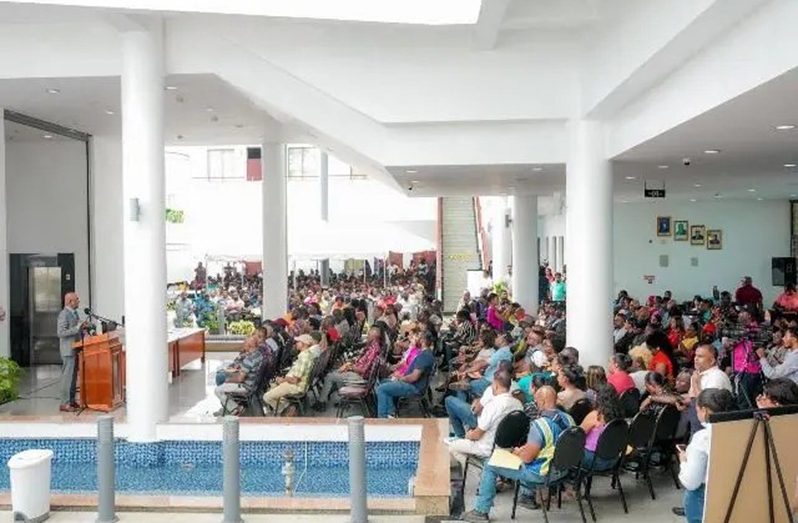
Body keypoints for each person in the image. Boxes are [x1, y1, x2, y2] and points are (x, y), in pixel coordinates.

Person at [461, 386, 575, 522]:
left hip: (543, 474)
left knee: (490, 464)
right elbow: (552, 446)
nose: (536, 404)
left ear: (543, 402)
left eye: (537, 401)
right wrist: (526, 449)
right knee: (531, 457)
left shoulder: (539, 425)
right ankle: (526, 496)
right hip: (563, 470)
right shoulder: (568, 419)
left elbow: (527, 459)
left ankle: (481, 511)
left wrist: (517, 453)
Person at [675, 388, 735, 523]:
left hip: (703, 497)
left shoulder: (702, 438)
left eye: (697, 410)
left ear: (705, 410)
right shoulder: (739, 430)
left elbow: (691, 482)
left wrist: (683, 461)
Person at [445, 370, 522, 467]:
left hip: (487, 448)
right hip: (508, 448)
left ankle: (478, 471)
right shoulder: (518, 405)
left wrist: (468, 436)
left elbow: (477, 435)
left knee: (453, 447)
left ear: (496, 385)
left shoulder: (493, 406)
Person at [315, 325, 383, 410]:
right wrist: (349, 365)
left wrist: (350, 367)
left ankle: (321, 403)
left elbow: (363, 370)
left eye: (369, 335)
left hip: (360, 378)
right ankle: (340, 400)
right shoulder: (373, 347)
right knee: (337, 373)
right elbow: (361, 361)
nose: (367, 336)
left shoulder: (374, 350)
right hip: (358, 374)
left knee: (330, 376)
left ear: (374, 337)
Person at [375, 331, 436, 418]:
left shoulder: (425, 356)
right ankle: (391, 413)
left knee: (382, 389)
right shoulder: (424, 354)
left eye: (418, 337)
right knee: (384, 382)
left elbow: (414, 377)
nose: (416, 339)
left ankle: (383, 418)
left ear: (423, 340)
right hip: (411, 384)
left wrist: (400, 379)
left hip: (414, 387)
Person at [263, 334, 317, 415]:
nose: (296, 344)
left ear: (304, 344)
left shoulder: (304, 358)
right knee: (273, 387)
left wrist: (283, 380)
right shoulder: (307, 355)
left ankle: (284, 410)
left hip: (295, 386)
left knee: (266, 397)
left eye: (298, 342)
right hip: (297, 384)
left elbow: (295, 380)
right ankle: (286, 408)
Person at [214, 336, 264, 415]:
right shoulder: (259, 355)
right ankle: (231, 406)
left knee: (218, 390)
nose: (243, 345)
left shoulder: (249, 359)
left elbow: (240, 379)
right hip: (254, 385)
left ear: (249, 346)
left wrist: (228, 380)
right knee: (225, 379)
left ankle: (236, 409)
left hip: (245, 387)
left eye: (245, 344)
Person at [56, 292, 89, 412]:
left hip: (76, 349)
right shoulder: (64, 314)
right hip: (68, 351)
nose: (79, 301)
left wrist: (83, 327)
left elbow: (76, 329)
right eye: (77, 299)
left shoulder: (74, 314)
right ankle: (64, 404)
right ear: (70, 301)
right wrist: (76, 328)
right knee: (67, 378)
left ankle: (71, 401)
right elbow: (61, 333)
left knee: (73, 378)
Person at [580, 385, 624, 470]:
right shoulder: (619, 414)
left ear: (598, 397)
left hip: (594, 460)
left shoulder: (596, 415)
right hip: (614, 459)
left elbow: (578, 435)